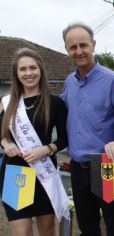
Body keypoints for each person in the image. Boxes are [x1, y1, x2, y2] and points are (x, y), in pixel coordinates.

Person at [61, 22, 114, 236]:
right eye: (73, 47)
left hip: (106, 166)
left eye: (83, 45)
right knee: (87, 226)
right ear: (67, 50)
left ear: (93, 45)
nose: (79, 51)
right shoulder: (68, 83)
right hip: (77, 167)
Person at [0, 48, 68, 235]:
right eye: (23, 69)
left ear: (41, 70)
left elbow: (64, 138)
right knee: (22, 233)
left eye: (33, 68)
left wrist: (46, 149)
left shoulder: (55, 103)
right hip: (15, 173)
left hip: (43, 171)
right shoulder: (7, 102)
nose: (28, 73)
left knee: (47, 231)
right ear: (16, 73)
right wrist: (6, 144)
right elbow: (2, 135)